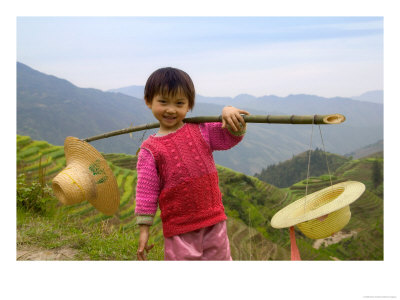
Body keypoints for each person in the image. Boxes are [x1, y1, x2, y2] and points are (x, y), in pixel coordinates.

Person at [135, 67, 249, 260]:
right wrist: (144, 230)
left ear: (189, 106)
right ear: (148, 101)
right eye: (163, 102)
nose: (171, 110)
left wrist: (229, 112)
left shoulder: (201, 131)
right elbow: (146, 192)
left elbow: (230, 136)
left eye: (179, 103)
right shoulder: (150, 150)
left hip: (214, 222)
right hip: (180, 230)